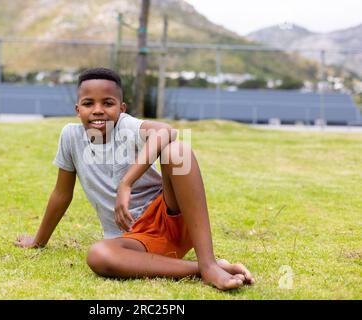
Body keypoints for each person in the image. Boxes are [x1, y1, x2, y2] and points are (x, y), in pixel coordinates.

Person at [15, 67, 255, 290]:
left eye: (108, 103)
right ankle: (202, 269)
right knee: (98, 255)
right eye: (89, 103)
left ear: (122, 108)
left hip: (169, 219)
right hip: (133, 241)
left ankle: (209, 262)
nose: (98, 110)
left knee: (178, 150)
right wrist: (38, 241)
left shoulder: (126, 127)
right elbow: (61, 193)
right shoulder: (70, 137)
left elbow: (167, 131)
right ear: (78, 109)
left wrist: (126, 182)